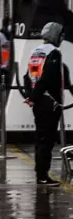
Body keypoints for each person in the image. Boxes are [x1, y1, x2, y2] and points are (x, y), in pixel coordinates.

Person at [23, 21, 71, 187]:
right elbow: (48, 78)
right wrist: (34, 97)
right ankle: (43, 176)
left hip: (39, 102)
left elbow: (26, 77)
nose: (62, 39)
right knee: (47, 140)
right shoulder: (54, 54)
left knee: (40, 138)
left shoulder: (36, 52)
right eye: (60, 35)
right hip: (49, 103)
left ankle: (41, 174)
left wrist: (31, 95)